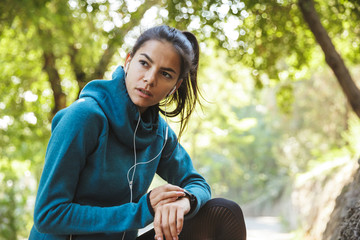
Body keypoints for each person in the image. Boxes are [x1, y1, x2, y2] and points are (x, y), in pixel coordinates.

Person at [29, 25, 246, 240]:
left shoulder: (158, 133)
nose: (150, 79)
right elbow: (48, 214)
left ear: (175, 85)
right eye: (144, 63)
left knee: (224, 213)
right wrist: (143, 210)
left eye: (165, 74)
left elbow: (197, 183)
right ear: (128, 61)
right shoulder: (84, 117)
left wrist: (185, 201)